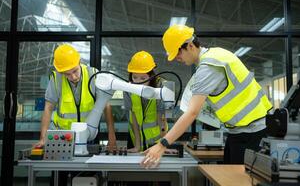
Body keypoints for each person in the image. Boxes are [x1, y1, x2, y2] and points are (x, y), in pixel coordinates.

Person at [141, 24, 273, 167]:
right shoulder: (217, 54)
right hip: (240, 130)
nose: (176, 58)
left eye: (178, 53)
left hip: (251, 131)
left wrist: (162, 145)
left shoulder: (208, 67)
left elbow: (192, 112)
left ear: (190, 45)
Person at [33, 44, 116, 185]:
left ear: (79, 62)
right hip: (64, 138)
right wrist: (43, 138)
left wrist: (111, 136)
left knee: (88, 178)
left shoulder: (93, 74)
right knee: (61, 178)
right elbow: (48, 108)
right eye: (67, 73)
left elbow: (106, 105)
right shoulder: (56, 78)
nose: (72, 77)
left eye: (75, 71)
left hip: (88, 137)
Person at [124, 51, 168, 153]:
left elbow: (162, 118)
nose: (138, 82)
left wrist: (162, 146)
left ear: (151, 75)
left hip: (158, 141)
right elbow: (133, 117)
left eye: (143, 78)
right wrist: (137, 146)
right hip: (136, 140)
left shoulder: (161, 86)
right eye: (134, 77)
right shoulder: (128, 87)